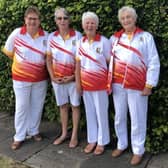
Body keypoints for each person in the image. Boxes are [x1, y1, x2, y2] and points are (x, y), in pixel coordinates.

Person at [108, 6, 160, 165]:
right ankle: (122, 144)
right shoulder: (114, 39)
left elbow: (153, 62)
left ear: (134, 18)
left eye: (128, 17)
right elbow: (107, 61)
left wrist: (149, 84)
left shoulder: (146, 37)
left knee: (138, 118)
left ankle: (138, 150)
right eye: (123, 18)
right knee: (119, 117)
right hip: (118, 85)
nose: (126, 20)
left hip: (138, 85)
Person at [2, 6, 48, 150]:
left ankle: (34, 131)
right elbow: (8, 52)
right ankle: (19, 136)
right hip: (21, 79)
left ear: (39, 20)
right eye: (30, 18)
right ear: (25, 19)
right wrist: (23, 65)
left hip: (40, 79)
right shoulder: (17, 33)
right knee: (22, 107)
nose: (32, 21)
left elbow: (48, 56)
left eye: (35, 19)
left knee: (37, 105)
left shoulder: (46, 35)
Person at [75, 11, 111, 155]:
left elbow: (111, 63)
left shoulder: (104, 41)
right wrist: (78, 83)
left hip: (101, 86)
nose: (89, 25)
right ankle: (92, 140)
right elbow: (77, 65)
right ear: (83, 25)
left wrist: (109, 83)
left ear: (96, 25)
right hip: (86, 86)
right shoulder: (80, 42)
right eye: (87, 22)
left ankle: (102, 142)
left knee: (101, 113)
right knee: (90, 113)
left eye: (92, 22)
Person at [46, 7, 81, 148]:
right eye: (59, 18)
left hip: (73, 80)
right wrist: (52, 76)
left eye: (65, 18)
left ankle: (74, 136)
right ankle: (64, 134)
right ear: (55, 20)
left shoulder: (77, 35)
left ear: (69, 20)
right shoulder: (51, 37)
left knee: (75, 106)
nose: (62, 21)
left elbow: (80, 60)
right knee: (63, 107)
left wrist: (73, 77)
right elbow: (48, 59)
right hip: (58, 80)